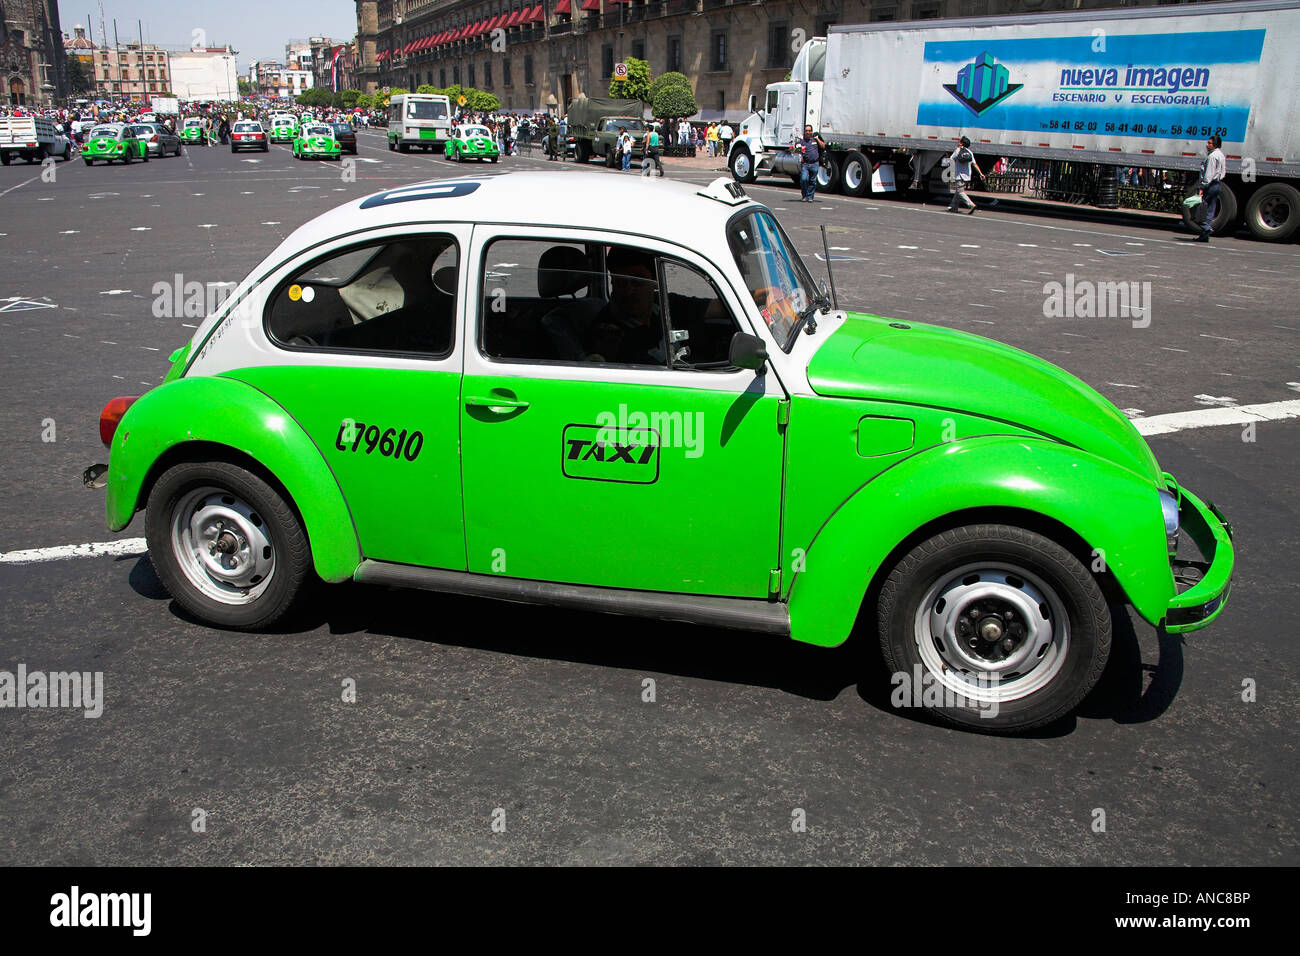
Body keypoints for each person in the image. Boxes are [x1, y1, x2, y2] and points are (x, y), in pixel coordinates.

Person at [1195, 133, 1226, 243]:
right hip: (1217, 185)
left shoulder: (1212, 156)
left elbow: (1208, 174)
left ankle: (1207, 229)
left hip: (1210, 185)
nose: (1207, 144)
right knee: (1209, 211)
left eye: (1209, 143)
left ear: (1215, 145)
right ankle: (1204, 236)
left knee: (1199, 210)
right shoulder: (1221, 155)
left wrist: (1202, 187)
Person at [946, 135, 984, 214]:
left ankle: (971, 205)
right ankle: (953, 207)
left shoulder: (958, 150)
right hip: (967, 176)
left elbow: (951, 160)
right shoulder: (970, 152)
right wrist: (980, 173)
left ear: (961, 144)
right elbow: (974, 164)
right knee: (958, 191)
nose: (958, 143)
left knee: (960, 192)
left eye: (959, 142)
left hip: (959, 175)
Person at [793, 125, 822, 202]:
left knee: (812, 181)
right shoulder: (801, 141)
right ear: (804, 131)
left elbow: (823, 146)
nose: (808, 132)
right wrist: (797, 148)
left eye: (809, 131)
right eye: (806, 131)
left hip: (814, 163)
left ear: (811, 131)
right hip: (805, 163)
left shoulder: (815, 139)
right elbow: (795, 150)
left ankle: (810, 197)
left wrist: (817, 139)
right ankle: (804, 195)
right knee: (804, 179)